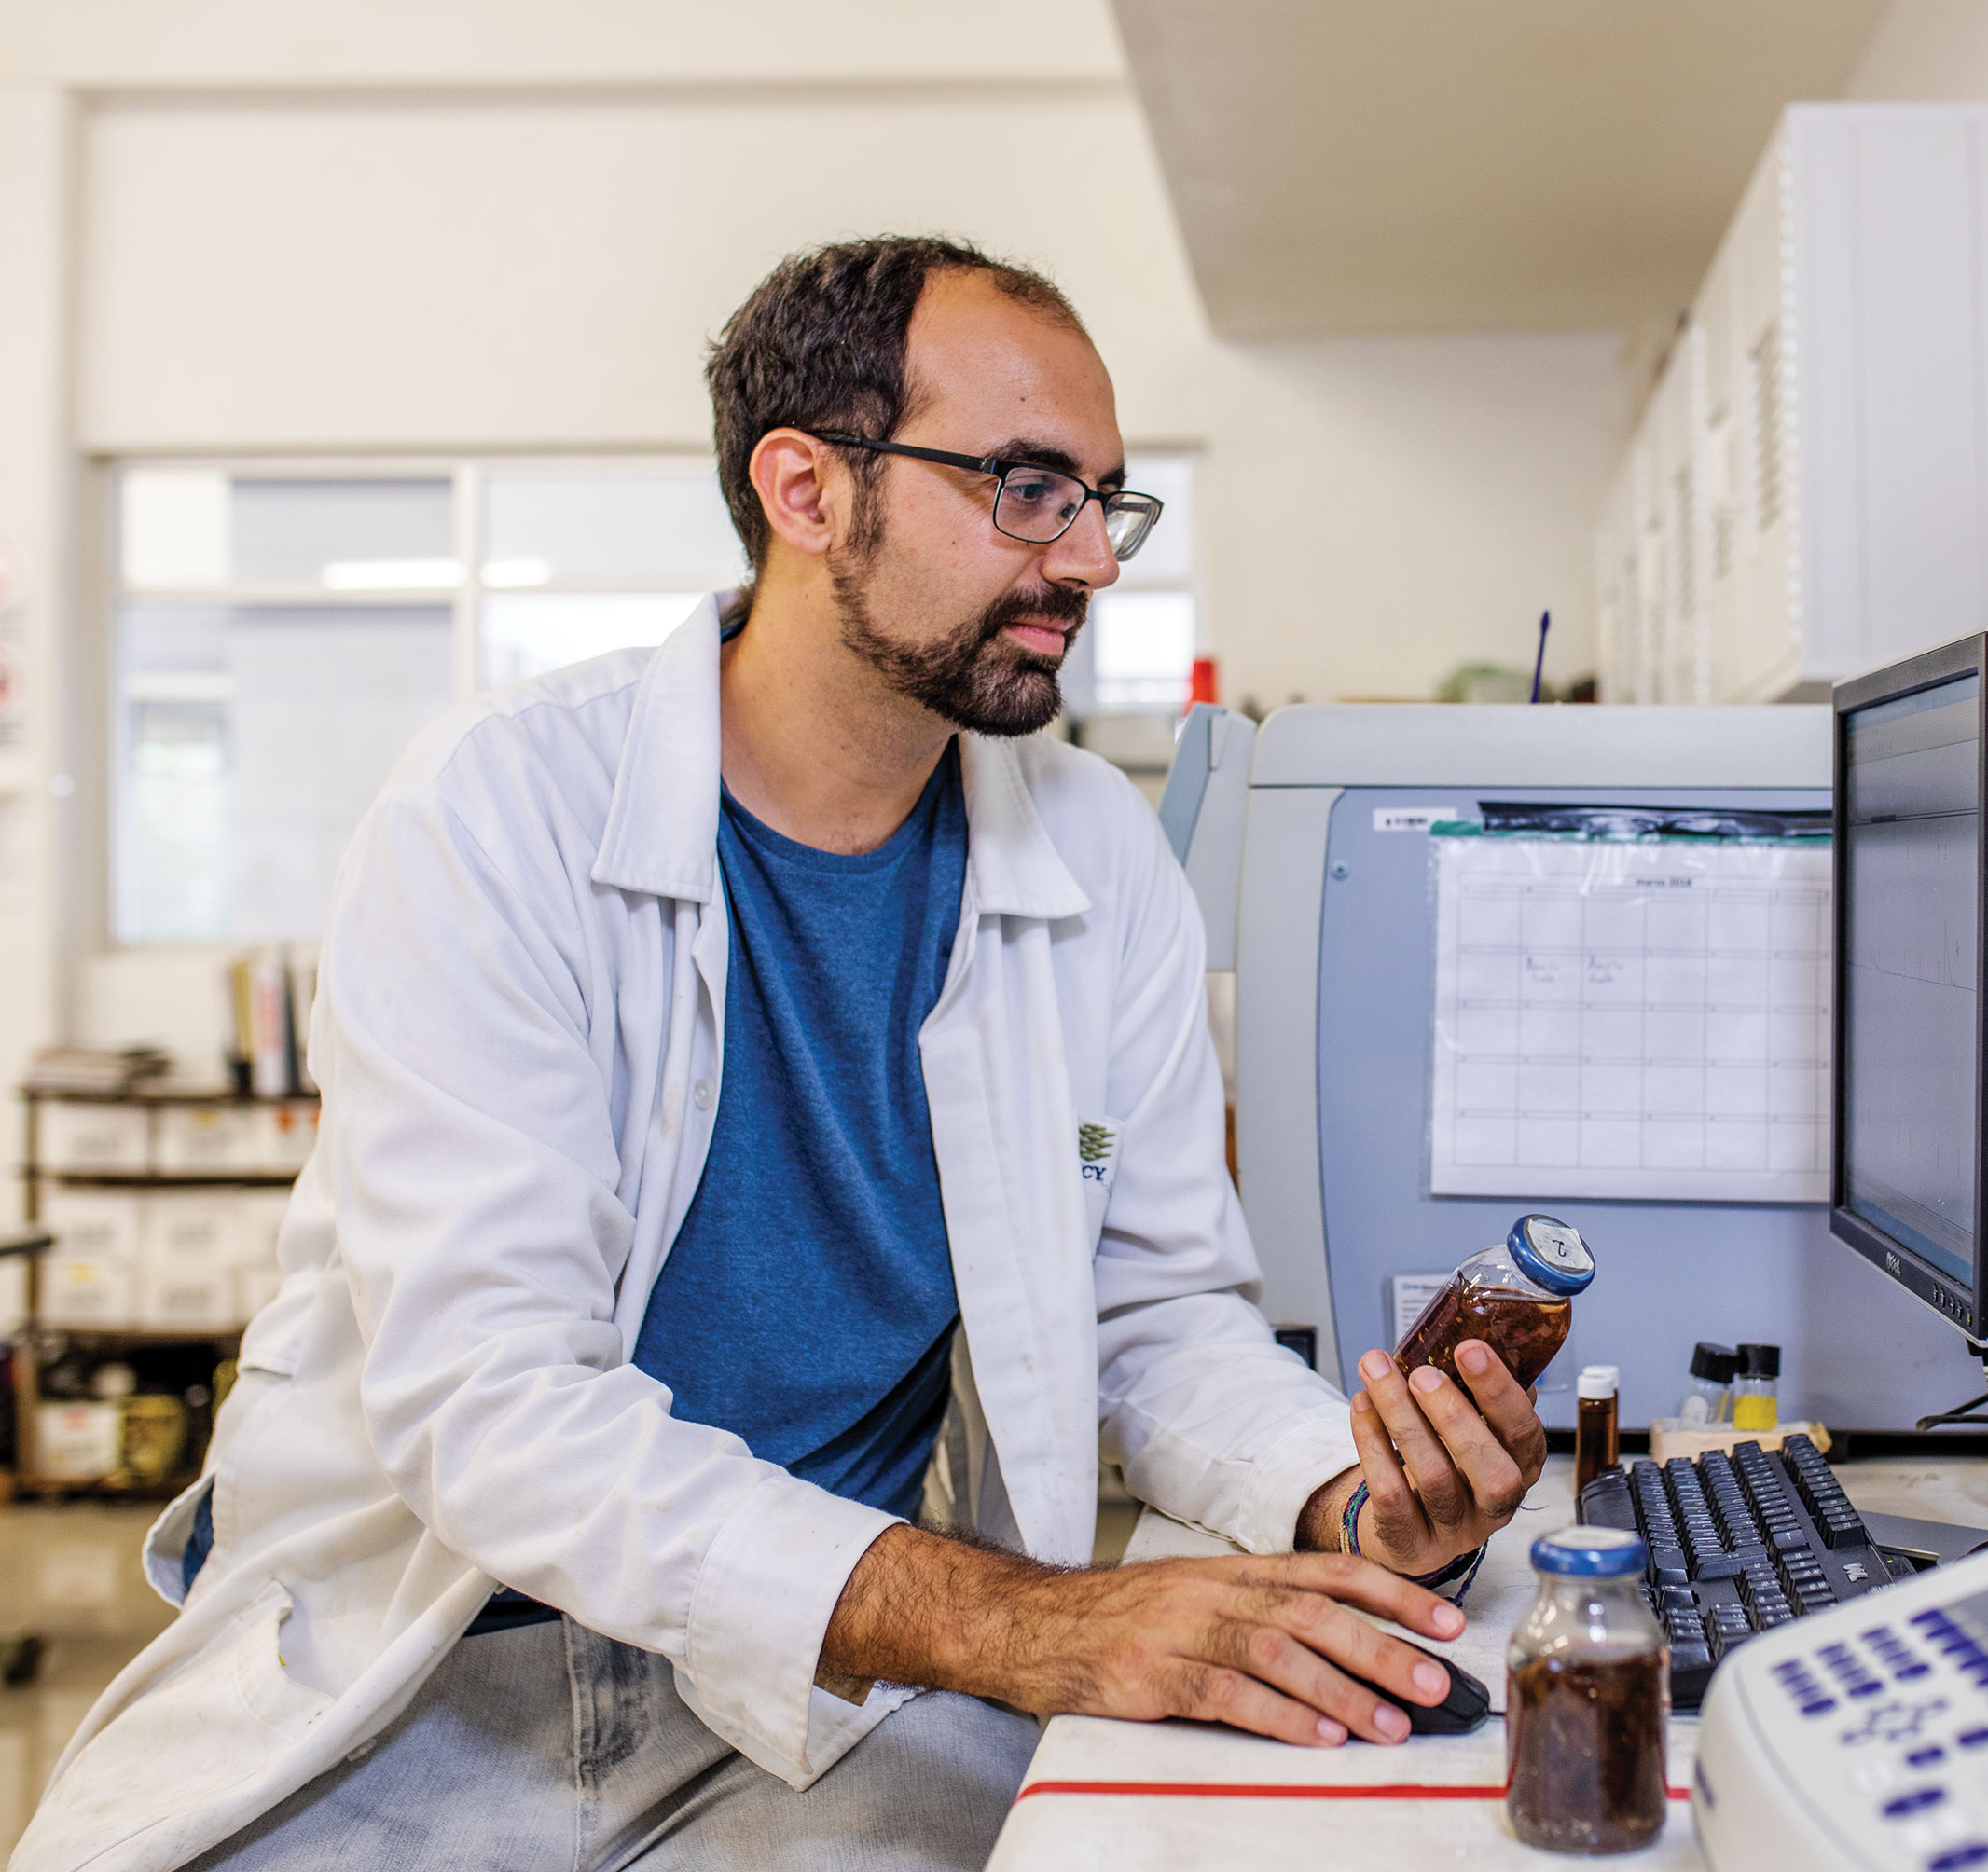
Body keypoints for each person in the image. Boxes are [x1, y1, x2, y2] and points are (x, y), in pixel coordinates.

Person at [14, 236, 1548, 1872]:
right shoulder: (498, 809)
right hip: (429, 1680)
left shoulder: (1097, 860)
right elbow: (498, 1406)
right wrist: (1025, 1622)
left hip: (829, 1698)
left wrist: (1348, 1491)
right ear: (806, 490)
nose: (1092, 560)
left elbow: (1154, 1314)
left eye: (1109, 499)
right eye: (1030, 488)